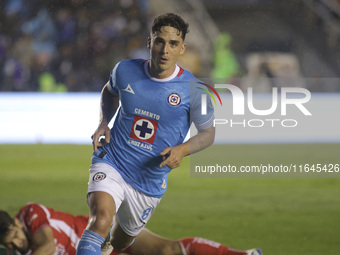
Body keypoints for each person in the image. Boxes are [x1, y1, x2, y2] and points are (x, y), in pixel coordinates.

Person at [76, 12, 216, 255]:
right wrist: (103, 123)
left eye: (173, 44)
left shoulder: (196, 91)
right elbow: (109, 93)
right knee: (99, 220)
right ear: (150, 42)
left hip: (149, 181)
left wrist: (182, 150)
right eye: (160, 41)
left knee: (120, 243)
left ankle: (110, 242)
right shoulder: (124, 70)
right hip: (113, 161)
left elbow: (209, 133)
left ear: (182, 48)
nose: (165, 50)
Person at [0, 203, 262, 255]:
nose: (13, 245)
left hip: (105, 235)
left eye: (12, 237)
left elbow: (45, 244)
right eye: (7, 245)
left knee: (167, 250)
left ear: (14, 224)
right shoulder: (14, 251)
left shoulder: (29, 213)